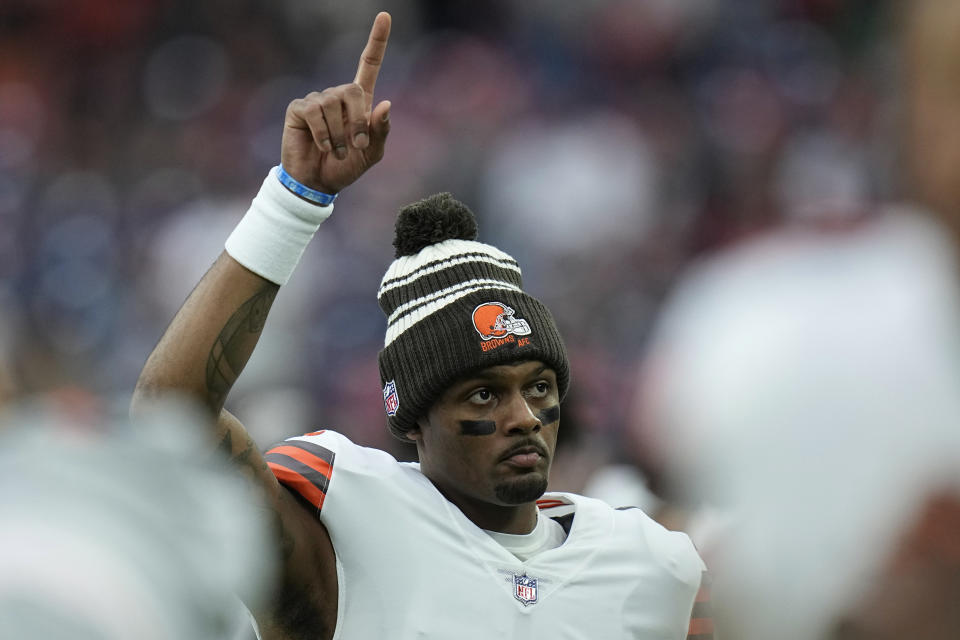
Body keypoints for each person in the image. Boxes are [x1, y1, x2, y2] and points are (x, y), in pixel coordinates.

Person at [132, 11, 709, 640]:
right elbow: (170, 412)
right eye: (484, 393)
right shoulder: (349, 532)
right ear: (409, 418)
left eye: (539, 387)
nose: (523, 416)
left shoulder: (651, 565)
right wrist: (293, 201)